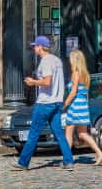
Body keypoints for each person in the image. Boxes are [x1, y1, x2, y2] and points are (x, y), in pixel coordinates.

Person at [11, 35, 74, 171]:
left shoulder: (46, 61)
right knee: (59, 133)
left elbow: (47, 81)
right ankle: (68, 160)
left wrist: (32, 82)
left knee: (33, 133)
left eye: (35, 46)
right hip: (57, 102)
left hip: (45, 102)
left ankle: (23, 162)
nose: (34, 48)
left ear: (40, 47)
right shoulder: (57, 60)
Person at [64, 49, 102, 165]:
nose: (69, 61)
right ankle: (100, 153)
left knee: (68, 133)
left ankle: (67, 159)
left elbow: (73, 92)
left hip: (75, 106)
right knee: (83, 134)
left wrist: (65, 104)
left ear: (74, 60)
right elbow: (86, 94)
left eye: (71, 59)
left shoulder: (75, 73)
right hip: (83, 107)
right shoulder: (86, 75)